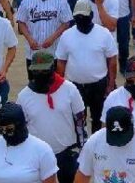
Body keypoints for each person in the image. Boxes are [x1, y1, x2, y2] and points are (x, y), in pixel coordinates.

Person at [19, 51, 86, 183]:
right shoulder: (24, 96)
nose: (40, 75)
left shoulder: (69, 89)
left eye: (44, 71)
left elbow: (80, 121)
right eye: (36, 72)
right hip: (37, 157)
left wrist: (82, 149)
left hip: (66, 154)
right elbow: (22, 128)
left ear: (52, 68)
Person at [56, 0, 117, 135]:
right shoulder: (66, 36)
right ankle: (80, 143)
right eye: (78, 17)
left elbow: (112, 60)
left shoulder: (104, 34)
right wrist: (60, 85)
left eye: (84, 16)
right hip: (75, 86)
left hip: (98, 85)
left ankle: (94, 142)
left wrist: (111, 83)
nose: (81, 19)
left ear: (91, 15)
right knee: (77, 118)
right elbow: (61, 62)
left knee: (97, 118)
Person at [75, 106, 135, 183]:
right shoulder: (94, 142)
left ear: (132, 126)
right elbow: (83, 175)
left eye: (122, 136)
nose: (119, 143)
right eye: (115, 136)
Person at [0, 102, 59, 183]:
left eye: (9, 130)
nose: (5, 134)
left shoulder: (42, 150)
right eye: (1, 130)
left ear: (21, 126)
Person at [16, 0, 73, 72]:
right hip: (33, 52)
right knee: (34, 83)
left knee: (54, 84)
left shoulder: (60, 0)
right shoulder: (27, 0)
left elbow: (66, 22)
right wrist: (29, 39)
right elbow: (21, 21)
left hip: (54, 52)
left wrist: (52, 38)